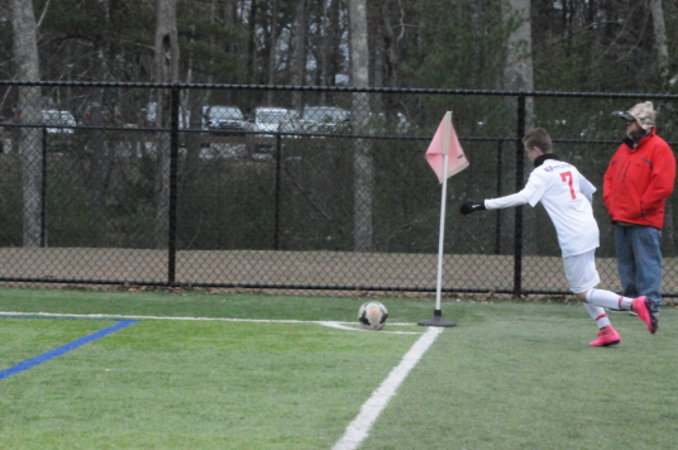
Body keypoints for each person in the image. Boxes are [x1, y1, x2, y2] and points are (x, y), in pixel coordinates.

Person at [460, 128, 657, 347]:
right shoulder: (569, 167)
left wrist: (482, 204)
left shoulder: (541, 173)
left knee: (582, 292)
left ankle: (635, 304)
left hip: (574, 236)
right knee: (586, 286)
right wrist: (582, 215)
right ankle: (606, 330)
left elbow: (523, 197)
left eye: (528, 152)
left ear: (536, 150)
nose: (528, 157)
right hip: (589, 229)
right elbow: (589, 192)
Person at [603, 101, 676, 315]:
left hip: (645, 219)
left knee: (647, 263)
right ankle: (631, 301)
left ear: (644, 124)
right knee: (626, 263)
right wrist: (610, 202)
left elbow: (662, 185)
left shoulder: (659, 148)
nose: (627, 125)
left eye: (631, 121)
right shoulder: (624, 149)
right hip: (621, 216)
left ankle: (650, 303)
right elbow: (609, 177)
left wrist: (641, 206)